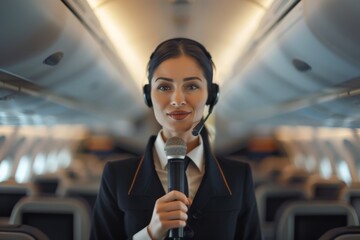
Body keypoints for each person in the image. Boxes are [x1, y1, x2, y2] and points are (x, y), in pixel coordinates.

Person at [90, 38, 262, 240]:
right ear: (148, 95)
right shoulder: (117, 177)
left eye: (191, 86)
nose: (177, 99)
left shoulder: (237, 177)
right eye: (164, 87)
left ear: (211, 95)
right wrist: (150, 233)